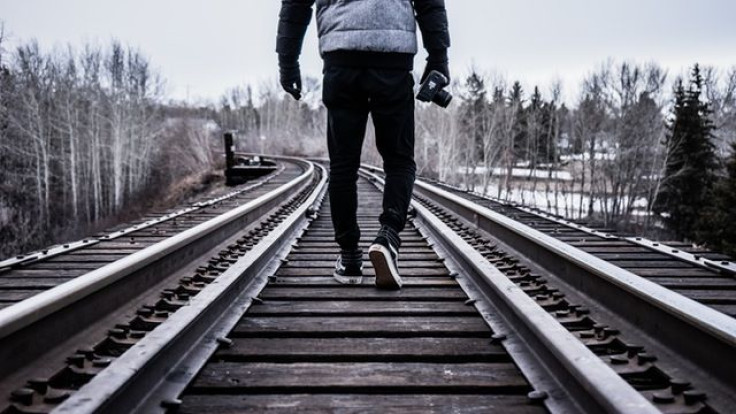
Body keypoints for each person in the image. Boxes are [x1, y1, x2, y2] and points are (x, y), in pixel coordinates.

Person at [276, 0, 450, 289]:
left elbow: (295, 4)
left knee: (343, 166)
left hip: (341, 55)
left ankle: (349, 259)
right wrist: (439, 58)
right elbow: (430, 3)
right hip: (393, 57)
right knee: (399, 160)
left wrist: (288, 63)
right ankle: (388, 237)